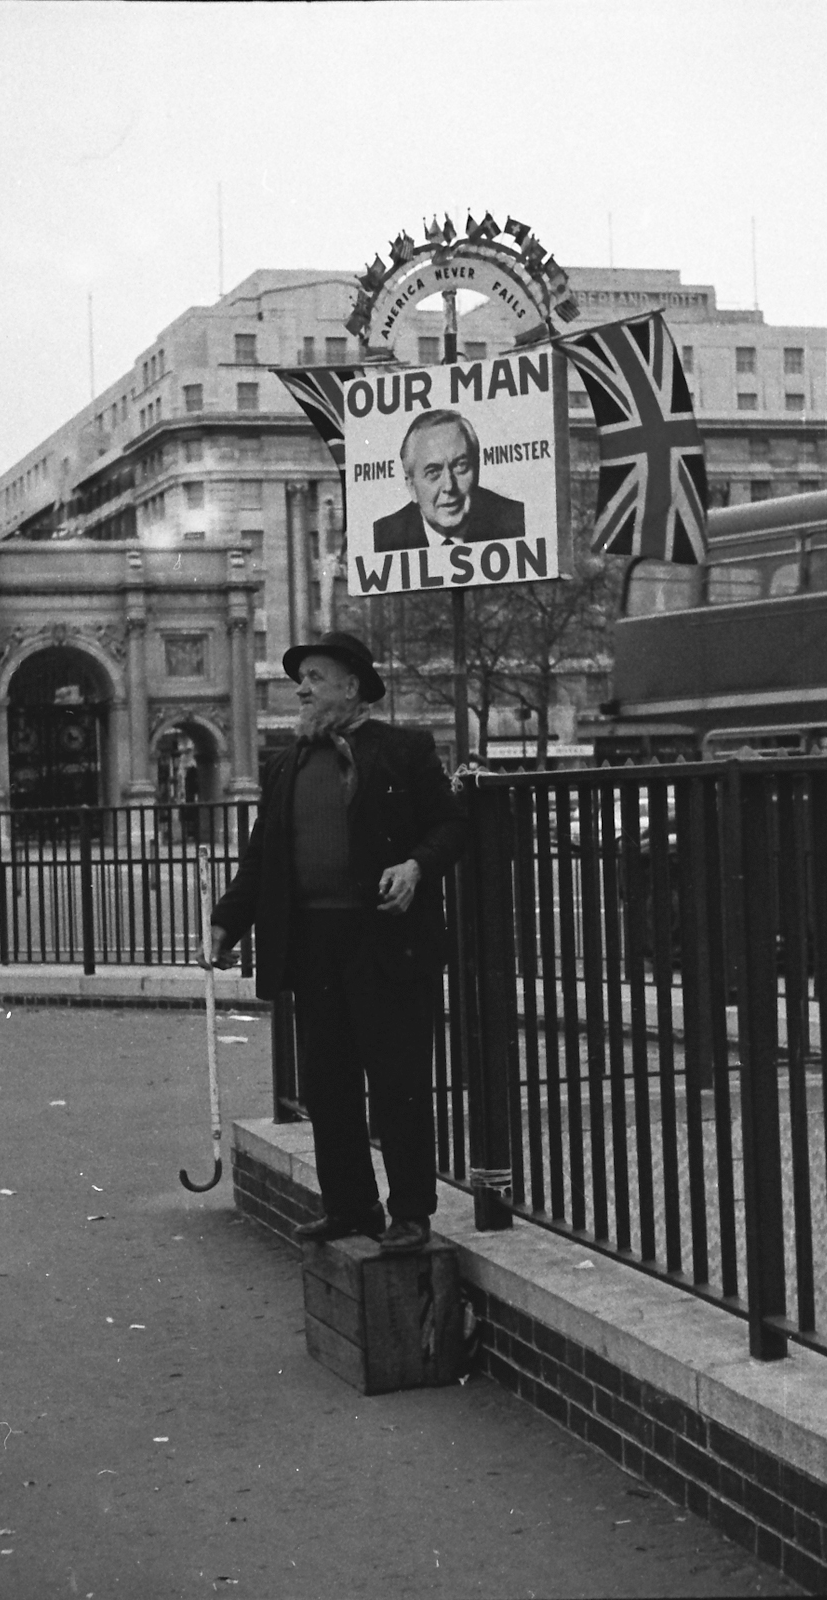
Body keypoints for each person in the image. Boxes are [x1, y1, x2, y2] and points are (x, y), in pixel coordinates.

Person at [208, 631, 466, 1252]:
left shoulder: (404, 751)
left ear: (351, 686)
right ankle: (351, 1208)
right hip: (314, 944)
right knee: (329, 1084)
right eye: (302, 680)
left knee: (398, 1081)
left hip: (383, 941)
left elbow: (451, 825)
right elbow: (262, 856)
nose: (301, 688)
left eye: (315, 678)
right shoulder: (286, 765)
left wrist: (415, 867)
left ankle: (409, 1212)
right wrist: (225, 921)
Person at [372, 410, 525, 552]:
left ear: (477, 469)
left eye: (460, 466)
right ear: (411, 487)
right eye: (433, 472)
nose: (449, 486)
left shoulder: (518, 521)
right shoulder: (381, 538)